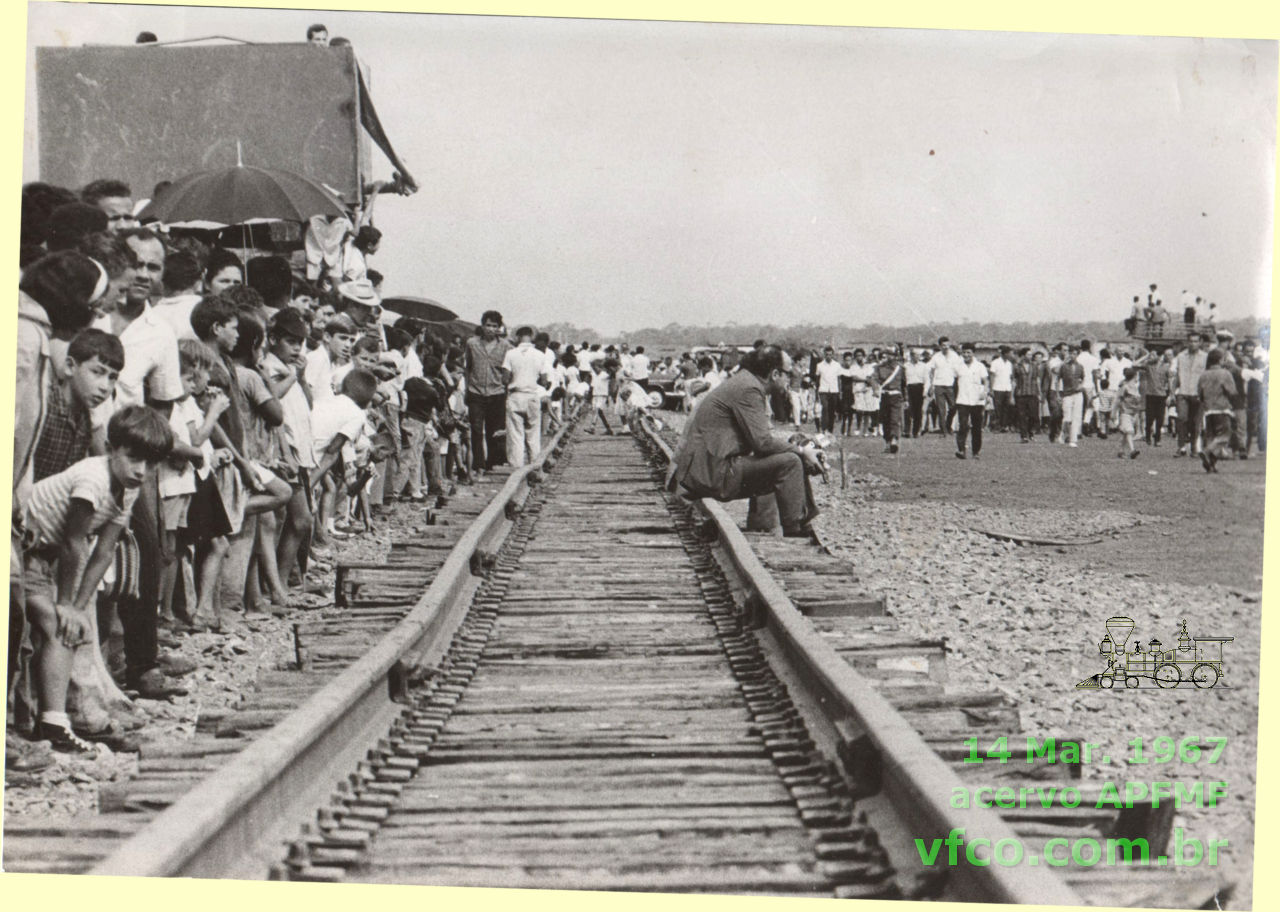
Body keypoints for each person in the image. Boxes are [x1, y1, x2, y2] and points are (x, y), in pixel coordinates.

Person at [23, 406, 172, 752]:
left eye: (151, 464)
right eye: (134, 459)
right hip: (25, 548)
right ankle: (53, 723)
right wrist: (67, 606)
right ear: (110, 448)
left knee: (69, 627)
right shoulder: (93, 479)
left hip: (47, 555)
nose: (141, 471)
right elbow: (75, 543)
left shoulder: (128, 488)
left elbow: (103, 551)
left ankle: (54, 722)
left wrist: (76, 605)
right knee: (59, 624)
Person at [671, 346, 822, 538]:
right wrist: (802, 451)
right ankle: (796, 533)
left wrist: (800, 451)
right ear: (775, 374)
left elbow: (760, 442)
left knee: (792, 456)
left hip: (706, 468)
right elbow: (763, 443)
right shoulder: (749, 389)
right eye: (788, 374)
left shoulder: (744, 381)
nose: (790, 379)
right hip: (712, 473)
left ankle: (799, 524)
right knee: (790, 462)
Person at [465, 310, 511, 471]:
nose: (490, 329)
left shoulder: (506, 346)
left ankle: (492, 461)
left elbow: (508, 370)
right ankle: (478, 463)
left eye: (494, 326)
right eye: (488, 325)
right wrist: (467, 389)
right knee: (476, 429)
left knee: (494, 430)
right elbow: (468, 367)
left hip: (497, 392)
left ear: (499, 328)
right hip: (475, 391)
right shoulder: (472, 343)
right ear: (482, 326)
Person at [501, 326, 551, 466]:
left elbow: (505, 379)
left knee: (515, 435)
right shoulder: (540, 355)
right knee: (533, 434)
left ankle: (517, 467)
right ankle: (535, 466)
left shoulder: (510, 353)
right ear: (532, 337)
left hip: (515, 396)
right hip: (532, 396)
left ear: (518, 337)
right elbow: (544, 381)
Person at [1198, 349, 1237, 473]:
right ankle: (1207, 451)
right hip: (1222, 409)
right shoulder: (1225, 374)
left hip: (1208, 410)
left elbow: (1199, 393)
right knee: (1224, 436)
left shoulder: (1204, 374)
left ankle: (1211, 465)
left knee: (1211, 436)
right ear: (1220, 360)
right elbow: (1232, 391)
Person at [1170, 333, 1208, 457]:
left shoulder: (1205, 357)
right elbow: (1176, 376)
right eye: (1191, 341)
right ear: (1187, 342)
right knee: (1182, 418)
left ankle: (1194, 448)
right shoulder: (1180, 356)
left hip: (1198, 394)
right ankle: (1181, 447)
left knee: (1196, 423)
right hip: (1183, 393)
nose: (1193, 344)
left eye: (1196, 341)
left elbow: (1206, 377)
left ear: (1200, 342)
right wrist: (1171, 393)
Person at [953, 344, 988, 459]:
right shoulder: (958, 366)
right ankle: (961, 450)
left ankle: (976, 452)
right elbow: (954, 382)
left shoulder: (980, 366)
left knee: (977, 427)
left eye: (968, 352)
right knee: (963, 425)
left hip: (977, 400)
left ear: (973, 353)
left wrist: (985, 392)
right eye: (964, 353)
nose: (966, 355)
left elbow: (985, 381)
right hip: (962, 399)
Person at [873, 348, 905, 453]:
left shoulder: (900, 369)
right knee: (885, 420)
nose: (889, 357)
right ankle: (887, 443)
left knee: (895, 419)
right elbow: (873, 379)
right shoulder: (879, 368)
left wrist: (906, 398)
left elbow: (905, 384)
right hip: (885, 395)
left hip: (896, 396)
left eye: (891, 354)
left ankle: (894, 440)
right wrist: (875, 389)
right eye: (887, 354)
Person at [928, 337, 961, 434]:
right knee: (941, 409)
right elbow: (931, 371)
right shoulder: (936, 357)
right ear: (940, 346)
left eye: (947, 345)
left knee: (953, 407)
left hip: (950, 385)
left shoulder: (954, 356)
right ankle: (944, 431)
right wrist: (931, 384)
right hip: (939, 385)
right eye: (943, 345)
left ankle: (948, 424)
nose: (946, 347)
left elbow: (959, 370)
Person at [1012, 347, 1043, 443]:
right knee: (1022, 415)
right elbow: (1014, 380)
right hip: (1021, 393)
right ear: (1023, 355)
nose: (1030, 356)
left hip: (1032, 393)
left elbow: (1037, 379)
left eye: (1031, 354)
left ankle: (1031, 432)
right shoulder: (1017, 366)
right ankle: (1024, 436)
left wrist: (1039, 392)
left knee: (1033, 415)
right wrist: (1012, 394)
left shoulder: (1034, 366)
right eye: (1028, 354)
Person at [1059, 344, 1086, 447]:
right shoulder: (1064, 366)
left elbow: (1083, 379)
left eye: (1074, 354)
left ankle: (1072, 439)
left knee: (1076, 417)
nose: (1072, 356)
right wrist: (1058, 393)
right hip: (1067, 394)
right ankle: (1063, 434)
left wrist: (1081, 386)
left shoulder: (1080, 367)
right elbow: (1058, 378)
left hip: (1077, 394)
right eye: (1071, 353)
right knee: (1067, 418)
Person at [1114, 366, 1143, 459]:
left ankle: (1121, 451)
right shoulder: (1125, 387)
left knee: (1125, 434)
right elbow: (1118, 399)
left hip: (1133, 414)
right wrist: (1113, 412)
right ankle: (1132, 450)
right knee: (1130, 431)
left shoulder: (1135, 387)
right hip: (1125, 412)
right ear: (1134, 376)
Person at [814, 346, 842, 434]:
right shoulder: (819, 365)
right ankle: (824, 428)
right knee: (825, 408)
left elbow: (839, 379)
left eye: (830, 354)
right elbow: (817, 380)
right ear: (824, 355)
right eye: (827, 355)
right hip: (823, 390)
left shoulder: (837, 365)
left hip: (834, 390)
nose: (828, 356)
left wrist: (840, 392)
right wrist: (816, 392)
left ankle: (830, 430)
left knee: (832, 410)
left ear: (833, 355)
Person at [988, 346, 1014, 432]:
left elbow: (1010, 377)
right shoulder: (995, 362)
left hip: (1007, 388)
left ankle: (1004, 426)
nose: (1011, 355)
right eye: (1010, 353)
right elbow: (992, 376)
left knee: (1006, 408)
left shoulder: (1009, 364)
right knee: (998, 408)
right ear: (1005, 353)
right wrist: (991, 389)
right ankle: (997, 426)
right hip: (997, 388)